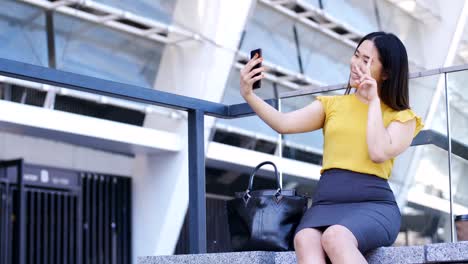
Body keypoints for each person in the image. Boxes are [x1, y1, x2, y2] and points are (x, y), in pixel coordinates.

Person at [239, 31, 424, 264]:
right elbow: (283, 123)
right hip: (327, 202)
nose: (356, 64)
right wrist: (248, 94)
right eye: (357, 55)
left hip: (373, 205)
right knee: (305, 238)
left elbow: (378, 152)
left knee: (335, 237)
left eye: (366, 61)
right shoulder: (332, 105)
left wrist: (373, 101)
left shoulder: (403, 118)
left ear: (386, 73)